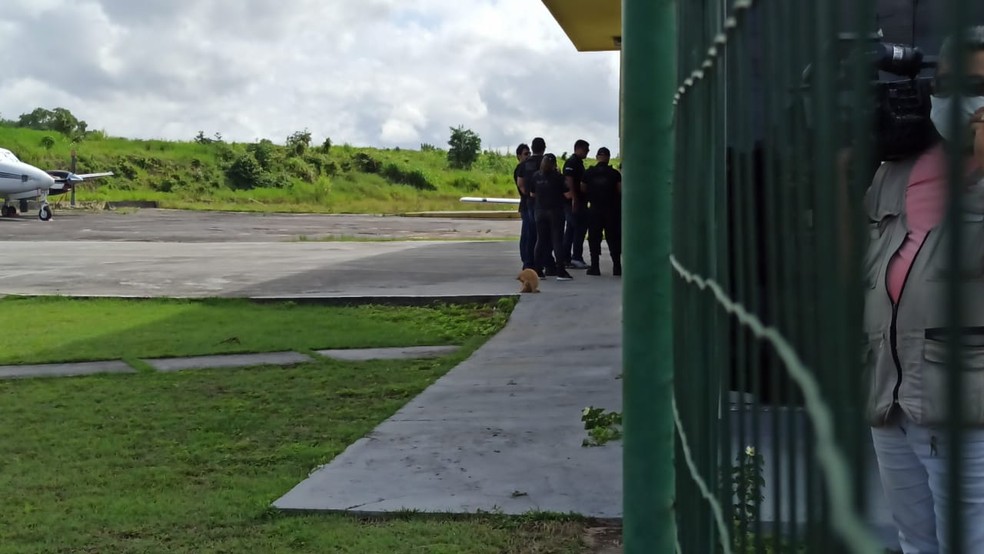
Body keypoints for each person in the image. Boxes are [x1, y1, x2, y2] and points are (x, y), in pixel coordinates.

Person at [863, 26, 984, 554]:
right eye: (953, 83)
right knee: (916, 539)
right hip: (892, 393)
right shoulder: (902, 166)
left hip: (967, 402)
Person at [530, 153, 574, 281]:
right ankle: (560, 271)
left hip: (539, 211)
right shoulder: (558, 177)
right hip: (555, 212)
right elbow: (568, 195)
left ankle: (538, 270)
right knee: (557, 241)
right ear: (554, 164)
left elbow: (532, 194)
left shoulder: (536, 176)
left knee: (540, 240)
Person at [517, 138, 556, 275]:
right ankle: (548, 263)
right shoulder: (548, 163)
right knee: (547, 236)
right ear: (544, 148)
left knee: (530, 235)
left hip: (529, 203)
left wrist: (528, 194)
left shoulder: (524, 165)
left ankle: (529, 264)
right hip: (547, 205)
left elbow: (520, 184)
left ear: (532, 148)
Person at [581, 147, 622, 276]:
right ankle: (617, 267)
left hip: (595, 210)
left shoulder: (589, 173)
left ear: (597, 157)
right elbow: (620, 190)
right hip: (612, 210)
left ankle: (595, 267)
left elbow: (583, 189)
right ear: (608, 157)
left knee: (594, 238)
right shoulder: (615, 174)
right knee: (614, 238)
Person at [563, 139, 591, 269]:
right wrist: (574, 198)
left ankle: (566, 258)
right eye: (586, 149)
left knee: (571, 230)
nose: (587, 152)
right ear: (578, 149)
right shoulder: (572, 162)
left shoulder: (578, 163)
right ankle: (576, 257)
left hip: (577, 201)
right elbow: (569, 181)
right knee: (578, 229)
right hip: (574, 202)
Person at [513, 143, 535, 270]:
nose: (528, 156)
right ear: (519, 156)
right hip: (526, 204)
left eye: (529, 153)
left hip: (528, 203)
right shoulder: (520, 169)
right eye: (526, 154)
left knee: (529, 232)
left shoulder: (527, 168)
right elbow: (522, 187)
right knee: (527, 232)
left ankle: (528, 258)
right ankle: (525, 259)